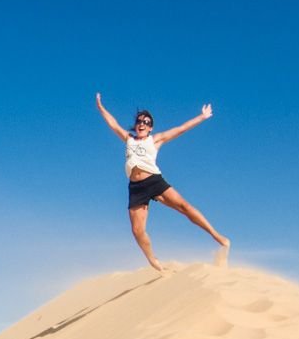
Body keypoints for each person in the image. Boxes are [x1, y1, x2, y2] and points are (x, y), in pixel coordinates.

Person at [96, 93, 229, 272]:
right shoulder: (129, 139)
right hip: (136, 188)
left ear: (151, 128)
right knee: (137, 231)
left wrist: (202, 117)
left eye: (147, 122)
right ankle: (154, 262)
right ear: (136, 125)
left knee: (185, 208)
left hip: (153, 180)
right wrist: (100, 106)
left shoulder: (156, 139)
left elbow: (181, 128)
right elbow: (113, 123)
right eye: (140, 121)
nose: (142, 124)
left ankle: (219, 237)